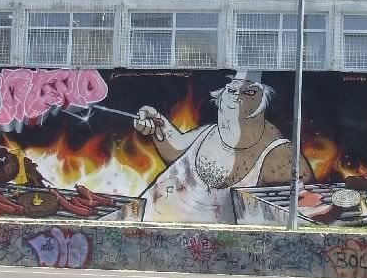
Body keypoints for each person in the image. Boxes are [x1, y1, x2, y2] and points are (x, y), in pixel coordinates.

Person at [134, 71, 314, 223]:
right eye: (231, 89)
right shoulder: (209, 132)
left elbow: (303, 214)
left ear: (265, 101)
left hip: (202, 247)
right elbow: (176, 151)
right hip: (141, 227)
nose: (236, 96)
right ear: (220, 96)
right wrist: (157, 123)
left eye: (249, 92)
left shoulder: (282, 157)